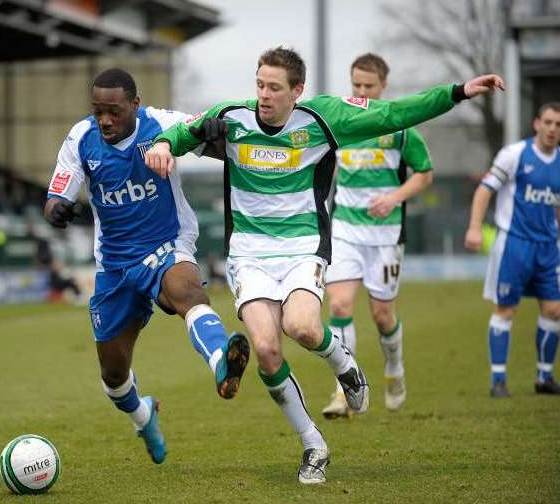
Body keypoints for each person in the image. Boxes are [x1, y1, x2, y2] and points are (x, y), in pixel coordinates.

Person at [145, 46, 504, 484]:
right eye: (260, 85)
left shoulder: (322, 119)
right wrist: (164, 144)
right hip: (250, 254)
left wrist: (459, 91)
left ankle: (343, 363)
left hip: (302, 248)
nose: (264, 95)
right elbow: (181, 134)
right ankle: (313, 445)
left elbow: (394, 115)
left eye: (275, 88)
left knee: (303, 328)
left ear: (298, 91)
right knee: (266, 348)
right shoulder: (231, 118)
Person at [43, 68, 251, 465]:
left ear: (135, 105)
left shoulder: (163, 125)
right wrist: (57, 210)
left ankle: (223, 359)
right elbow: (55, 194)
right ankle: (144, 416)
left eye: (114, 111)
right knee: (114, 375)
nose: (105, 119)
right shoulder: (81, 138)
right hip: (115, 265)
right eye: (98, 110)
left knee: (186, 292)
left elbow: (212, 139)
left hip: (166, 244)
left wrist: (214, 132)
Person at [321, 53, 434, 419]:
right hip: (345, 230)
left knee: (383, 315)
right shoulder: (341, 125)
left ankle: (395, 369)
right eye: (356, 85)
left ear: (383, 86)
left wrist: (395, 197)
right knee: (338, 306)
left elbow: (425, 173)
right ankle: (343, 389)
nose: (362, 92)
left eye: (369, 86)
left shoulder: (401, 128)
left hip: (385, 237)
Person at [464, 102, 560, 398]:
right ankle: (498, 381)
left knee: (554, 310)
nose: (553, 129)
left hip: (549, 246)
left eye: (558, 125)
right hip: (514, 244)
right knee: (506, 309)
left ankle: (544, 377)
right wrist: (475, 227)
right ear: (536, 124)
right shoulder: (514, 155)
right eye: (548, 122)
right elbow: (484, 190)